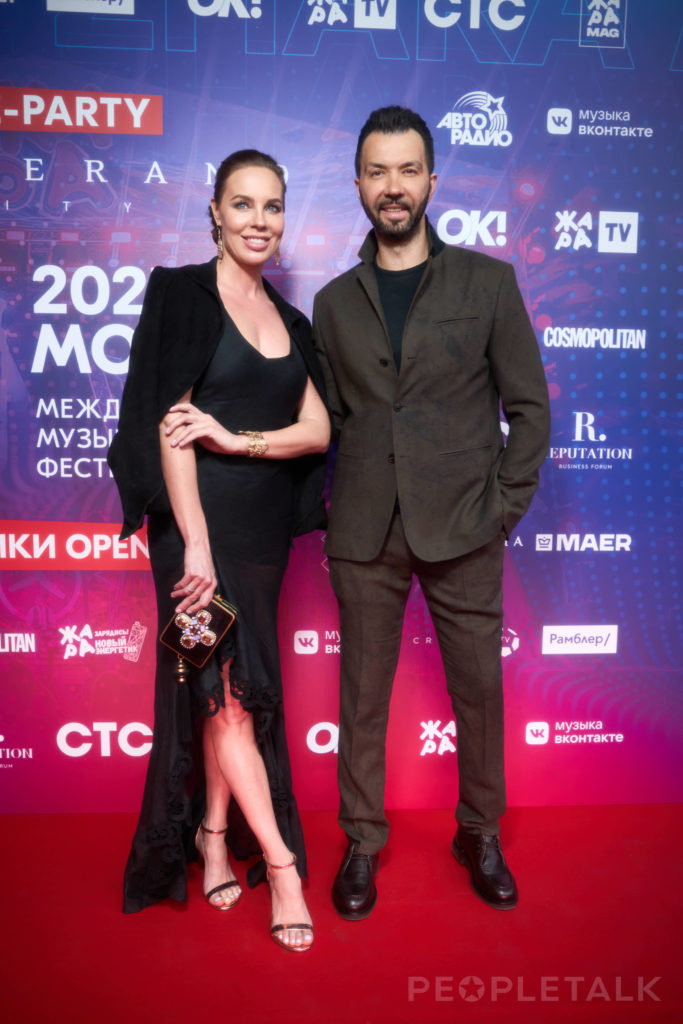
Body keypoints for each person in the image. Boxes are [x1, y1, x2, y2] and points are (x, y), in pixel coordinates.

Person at [312, 106, 550, 920]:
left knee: (478, 689)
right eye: (377, 171)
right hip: (365, 531)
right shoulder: (332, 303)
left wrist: (500, 511)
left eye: (407, 170)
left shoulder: (488, 282)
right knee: (361, 697)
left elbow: (529, 409)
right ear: (357, 184)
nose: (393, 186)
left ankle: (477, 830)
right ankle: (361, 840)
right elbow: (330, 421)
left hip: (464, 527)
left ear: (431, 181)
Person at [108, 149, 330, 952]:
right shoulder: (181, 294)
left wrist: (238, 440)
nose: (258, 221)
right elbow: (170, 423)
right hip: (192, 536)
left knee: (223, 698)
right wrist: (195, 547)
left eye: (272, 206)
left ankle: (210, 837)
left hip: (261, 537)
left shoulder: (290, 321)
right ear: (214, 210)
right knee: (227, 697)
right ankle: (282, 866)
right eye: (242, 204)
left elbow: (317, 430)